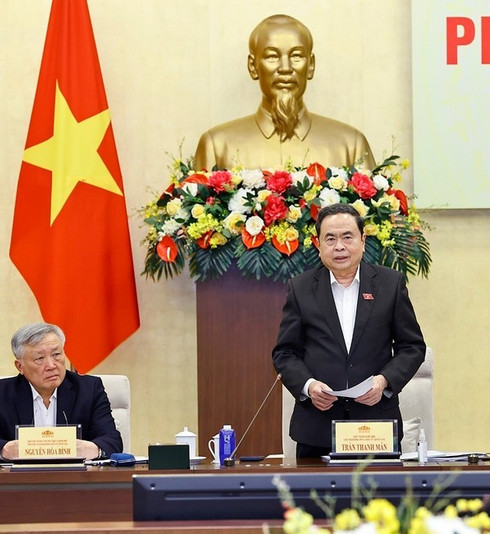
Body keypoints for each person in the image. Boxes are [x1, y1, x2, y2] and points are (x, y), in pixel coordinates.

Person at [272, 204, 426, 457]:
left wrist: (383, 381)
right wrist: (309, 386)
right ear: (318, 244)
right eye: (330, 239)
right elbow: (285, 353)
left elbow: (412, 347)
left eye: (347, 237)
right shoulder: (300, 288)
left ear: (363, 240)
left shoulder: (390, 284)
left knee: (377, 497)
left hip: (374, 426)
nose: (339, 246)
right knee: (317, 497)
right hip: (317, 427)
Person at [194, 14, 376, 171]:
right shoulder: (217, 146)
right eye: (272, 56)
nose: (286, 68)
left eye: (296, 55)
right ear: (253, 66)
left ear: (310, 65)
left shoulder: (350, 145)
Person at [0, 322, 122, 462]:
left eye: (57, 354)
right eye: (40, 358)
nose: (51, 365)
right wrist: (8, 450)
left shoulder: (89, 389)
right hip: (19, 482)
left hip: (76, 482)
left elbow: (112, 441)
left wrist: (87, 449)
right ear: (20, 366)